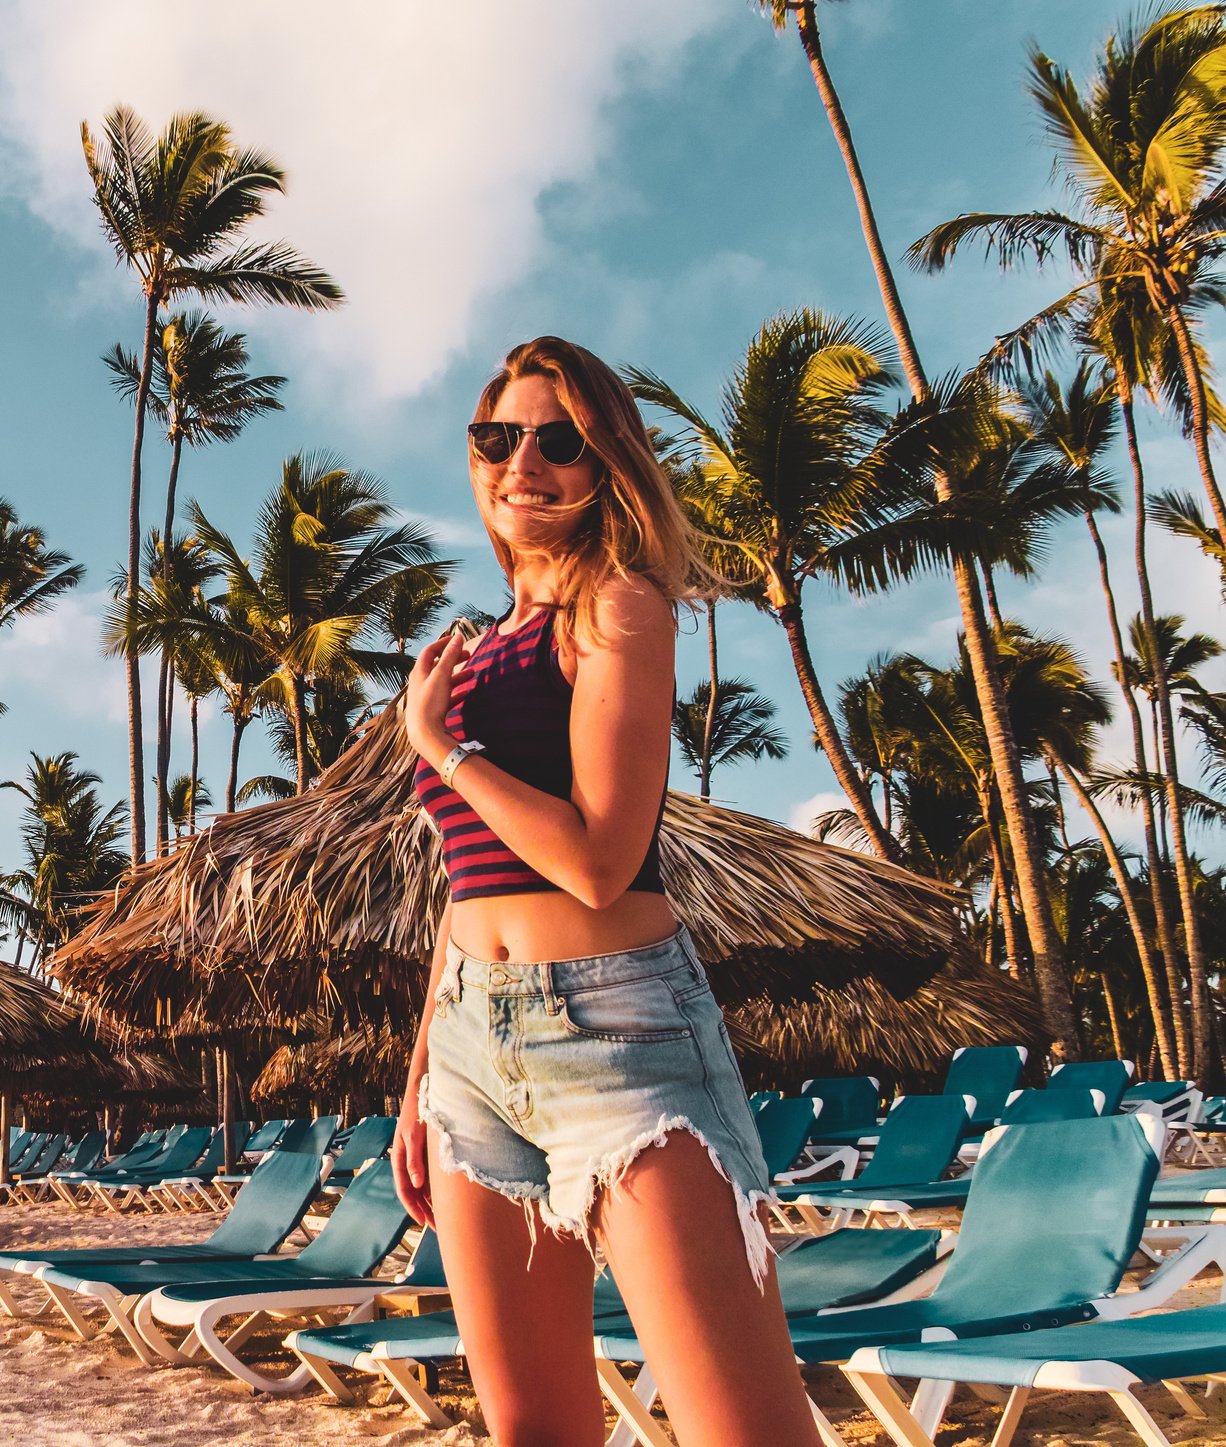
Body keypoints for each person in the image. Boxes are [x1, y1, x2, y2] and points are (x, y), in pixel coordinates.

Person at [392, 336, 819, 1444]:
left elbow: (595, 857)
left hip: (614, 1029)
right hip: (468, 1053)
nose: (522, 461)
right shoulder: (478, 647)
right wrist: (419, 1074)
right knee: (532, 1430)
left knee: (746, 1430)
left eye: (557, 439)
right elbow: (463, 884)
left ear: (604, 464)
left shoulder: (619, 606)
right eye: (498, 437)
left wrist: (440, 747)